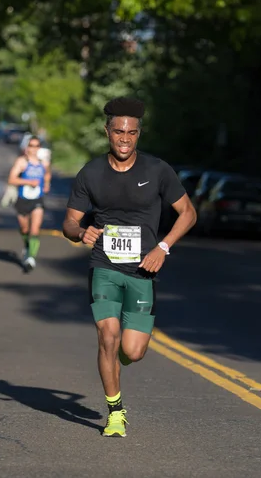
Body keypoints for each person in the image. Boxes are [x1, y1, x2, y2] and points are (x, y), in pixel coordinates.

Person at [62, 97, 197, 437]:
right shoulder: (90, 173)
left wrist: (163, 247)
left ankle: (120, 362)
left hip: (142, 272)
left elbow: (189, 213)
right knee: (108, 336)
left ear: (139, 134)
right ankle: (115, 411)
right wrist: (81, 232)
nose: (124, 139)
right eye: (118, 132)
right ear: (107, 131)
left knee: (132, 351)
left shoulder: (157, 170)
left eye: (131, 133)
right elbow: (69, 223)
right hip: (104, 267)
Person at [7, 135, 51, 271]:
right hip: (22, 200)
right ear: (27, 147)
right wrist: (28, 182)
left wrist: (47, 184)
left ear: (39, 148)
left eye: (36, 145)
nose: (34, 148)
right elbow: (11, 179)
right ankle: (27, 248)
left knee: (35, 229)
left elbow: (47, 174)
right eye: (31, 145)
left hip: (37, 200)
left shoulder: (44, 163)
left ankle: (31, 258)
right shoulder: (22, 162)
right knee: (24, 229)